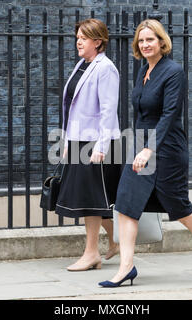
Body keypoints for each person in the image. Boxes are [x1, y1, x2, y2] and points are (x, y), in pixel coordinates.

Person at [98, 19, 192, 287]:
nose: (145, 44)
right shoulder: (143, 69)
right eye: (141, 40)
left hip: (166, 148)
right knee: (125, 203)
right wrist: (138, 146)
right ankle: (126, 267)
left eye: (150, 39)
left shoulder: (173, 72)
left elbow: (170, 115)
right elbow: (140, 113)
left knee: (178, 207)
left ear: (161, 42)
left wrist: (149, 148)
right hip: (142, 147)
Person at [55, 18, 121, 271]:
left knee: (90, 200)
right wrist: (67, 140)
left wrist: (101, 147)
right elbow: (71, 108)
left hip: (96, 143)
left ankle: (91, 253)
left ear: (98, 41)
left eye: (84, 37)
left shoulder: (106, 69)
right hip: (79, 140)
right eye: (77, 37)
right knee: (92, 199)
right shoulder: (83, 65)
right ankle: (117, 241)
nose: (78, 41)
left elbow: (108, 110)